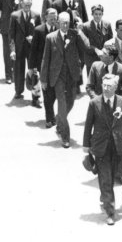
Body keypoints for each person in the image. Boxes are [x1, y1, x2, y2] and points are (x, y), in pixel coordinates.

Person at [83, 73, 122, 226]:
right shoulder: (94, 103)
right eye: (104, 86)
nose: (106, 88)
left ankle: (104, 199)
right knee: (105, 179)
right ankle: (111, 212)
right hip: (100, 147)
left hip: (117, 146)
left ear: (116, 87)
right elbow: (88, 125)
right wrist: (86, 145)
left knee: (112, 177)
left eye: (109, 86)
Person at [40, 12, 83, 148]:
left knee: (70, 102)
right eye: (63, 22)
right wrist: (43, 79)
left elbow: (84, 48)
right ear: (58, 22)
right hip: (57, 77)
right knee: (62, 105)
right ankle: (65, 136)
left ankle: (59, 122)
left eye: (68, 23)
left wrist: (80, 30)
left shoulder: (74, 35)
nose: (65, 25)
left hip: (71, 75)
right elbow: (45, 59)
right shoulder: (50, 38)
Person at [9, 0, 41, 104]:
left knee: (34, 71)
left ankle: (35, 96)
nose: (27, 7)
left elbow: (40, 32)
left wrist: (33, 38)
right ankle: (18, 91)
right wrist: (12, 50)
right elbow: (11, 35)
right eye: (25, 5)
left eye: (29, 5)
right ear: (21, 4)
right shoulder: (14, 16)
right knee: (19, 69)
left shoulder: (36, 15)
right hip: (19, 48)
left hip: (32, 48)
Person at [30, 9, 60, 127]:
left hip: (56, 68)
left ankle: (52, 115)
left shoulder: (59, 29)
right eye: (51, 18)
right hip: (43, 68)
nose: (53, 21)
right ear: (45, 17)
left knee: (55, 95)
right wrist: (32, 68)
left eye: (55, 18)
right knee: (47, 95)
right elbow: (33, 50)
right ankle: (49, 118)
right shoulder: (39, 30)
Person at [0, 0, 25, 84]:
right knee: (7, 52)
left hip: (18, 27)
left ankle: (16, 72)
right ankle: (8, 75)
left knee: (17, 50)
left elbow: (24, 8)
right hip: (6, 28)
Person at [80, 4, 113, 75]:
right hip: (91, 60)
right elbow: (84, 44)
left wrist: (106, 49)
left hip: (105, 59)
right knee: (92, 82)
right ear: (92, 14)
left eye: (100, 14)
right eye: (96, 14)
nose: (98, 16)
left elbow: (111, 41)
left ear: (102, 14)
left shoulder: (107, 24)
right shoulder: (86, 26)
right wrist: (96, 50)